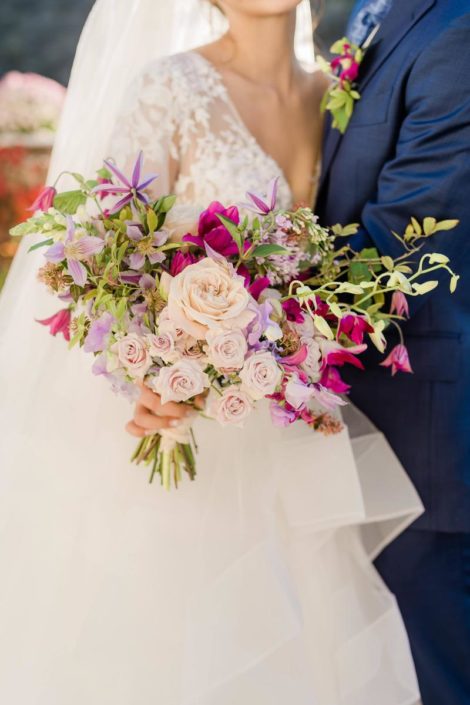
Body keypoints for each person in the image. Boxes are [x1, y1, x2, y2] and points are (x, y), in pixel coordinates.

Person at [0, 1, 423, 702]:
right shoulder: (169, 86)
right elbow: (104, 263)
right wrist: (152, 368)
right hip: (184, 438)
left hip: (291, 437)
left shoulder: (337, 92)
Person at [316, 0, 470, 703]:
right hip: (350, 425)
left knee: (432, 674)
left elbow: (407, 237)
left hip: (424, 441)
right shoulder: (369, 13)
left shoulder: (457, 26)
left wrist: (228, 299)